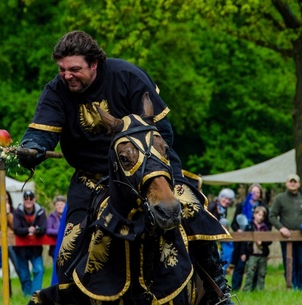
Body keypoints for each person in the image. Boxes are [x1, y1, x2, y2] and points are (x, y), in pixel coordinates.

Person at [18, 30, 234, 305]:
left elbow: (163, 132)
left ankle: (218, 293)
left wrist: (150, 170)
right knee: (69, 246)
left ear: (94, 64)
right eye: (62, 69)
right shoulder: (56, 89)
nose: (67, 75)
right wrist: (32, 148)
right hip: (91, 179)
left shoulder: (128, 76)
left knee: (191, 210)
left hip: (150, 169)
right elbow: (42, 131)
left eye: (75, 69)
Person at [269, 174, 302, 290]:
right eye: (290, 181)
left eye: (295, 182)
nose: (293, 184)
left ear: (299, 184)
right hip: (286, 237)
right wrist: (281, 228)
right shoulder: (280, 198)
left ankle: (300, 287)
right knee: (289, 263)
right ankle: (292, 286)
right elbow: (272, 216)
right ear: (286, 183)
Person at [230, 183, 270, 291]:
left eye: (258, 192)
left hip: (257, 242)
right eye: (253, 191)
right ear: (249, 192)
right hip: (243, 241)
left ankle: (254, 289)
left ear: (260, 194)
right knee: (240, 265)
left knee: (256, 267)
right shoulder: (242, 205)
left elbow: (268, 225)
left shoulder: (263, 208)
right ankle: (235, 288)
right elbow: (234, 223)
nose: (255, 194)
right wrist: (239, 230)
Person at [13, 190, 47, 296]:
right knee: (24, 275)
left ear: (34, 199)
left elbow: (43, 228)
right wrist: (28, 230)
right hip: (21, 249)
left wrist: (36, 230)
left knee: (39, 270)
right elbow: (16, 229)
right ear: (23, 200)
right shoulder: (18, 212)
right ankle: (27, 296)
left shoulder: (40, 211)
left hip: (35, 248)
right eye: (26, 198)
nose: (28, 200)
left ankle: (35, 295)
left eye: (30, 198)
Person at [0, 191, 21, 296]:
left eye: (7, 199)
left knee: (18, 266)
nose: (5, 201)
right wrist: (2, 214)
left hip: (13, 243)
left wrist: (8, 213)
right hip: (2, 243)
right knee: (6, 269)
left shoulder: (15, 212)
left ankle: (25, 288)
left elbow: (14, 226)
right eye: (3, 199)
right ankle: (7, 293)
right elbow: (0, 227)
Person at [241, 206, 271, 292]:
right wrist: (243, 253)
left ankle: (260, 290)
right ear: (254, 214)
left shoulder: (265, 228)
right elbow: (244, 240)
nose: (260, 217)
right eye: (259, 214)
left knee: (262, 273)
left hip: (262, 253)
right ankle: (247, 290)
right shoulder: (249, 226)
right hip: (252, 254)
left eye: (262, 215)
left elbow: (269, 241)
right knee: (250, 273)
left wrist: (262, 242)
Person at [46, 195, 66, 260]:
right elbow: (48, 230)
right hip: (55, 247)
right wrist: (60, 232)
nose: (60, 206)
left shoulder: (69, 216)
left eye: (61, 204)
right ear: (55, 206)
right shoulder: (51, 217)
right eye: (57, 204)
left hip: (66, 246)